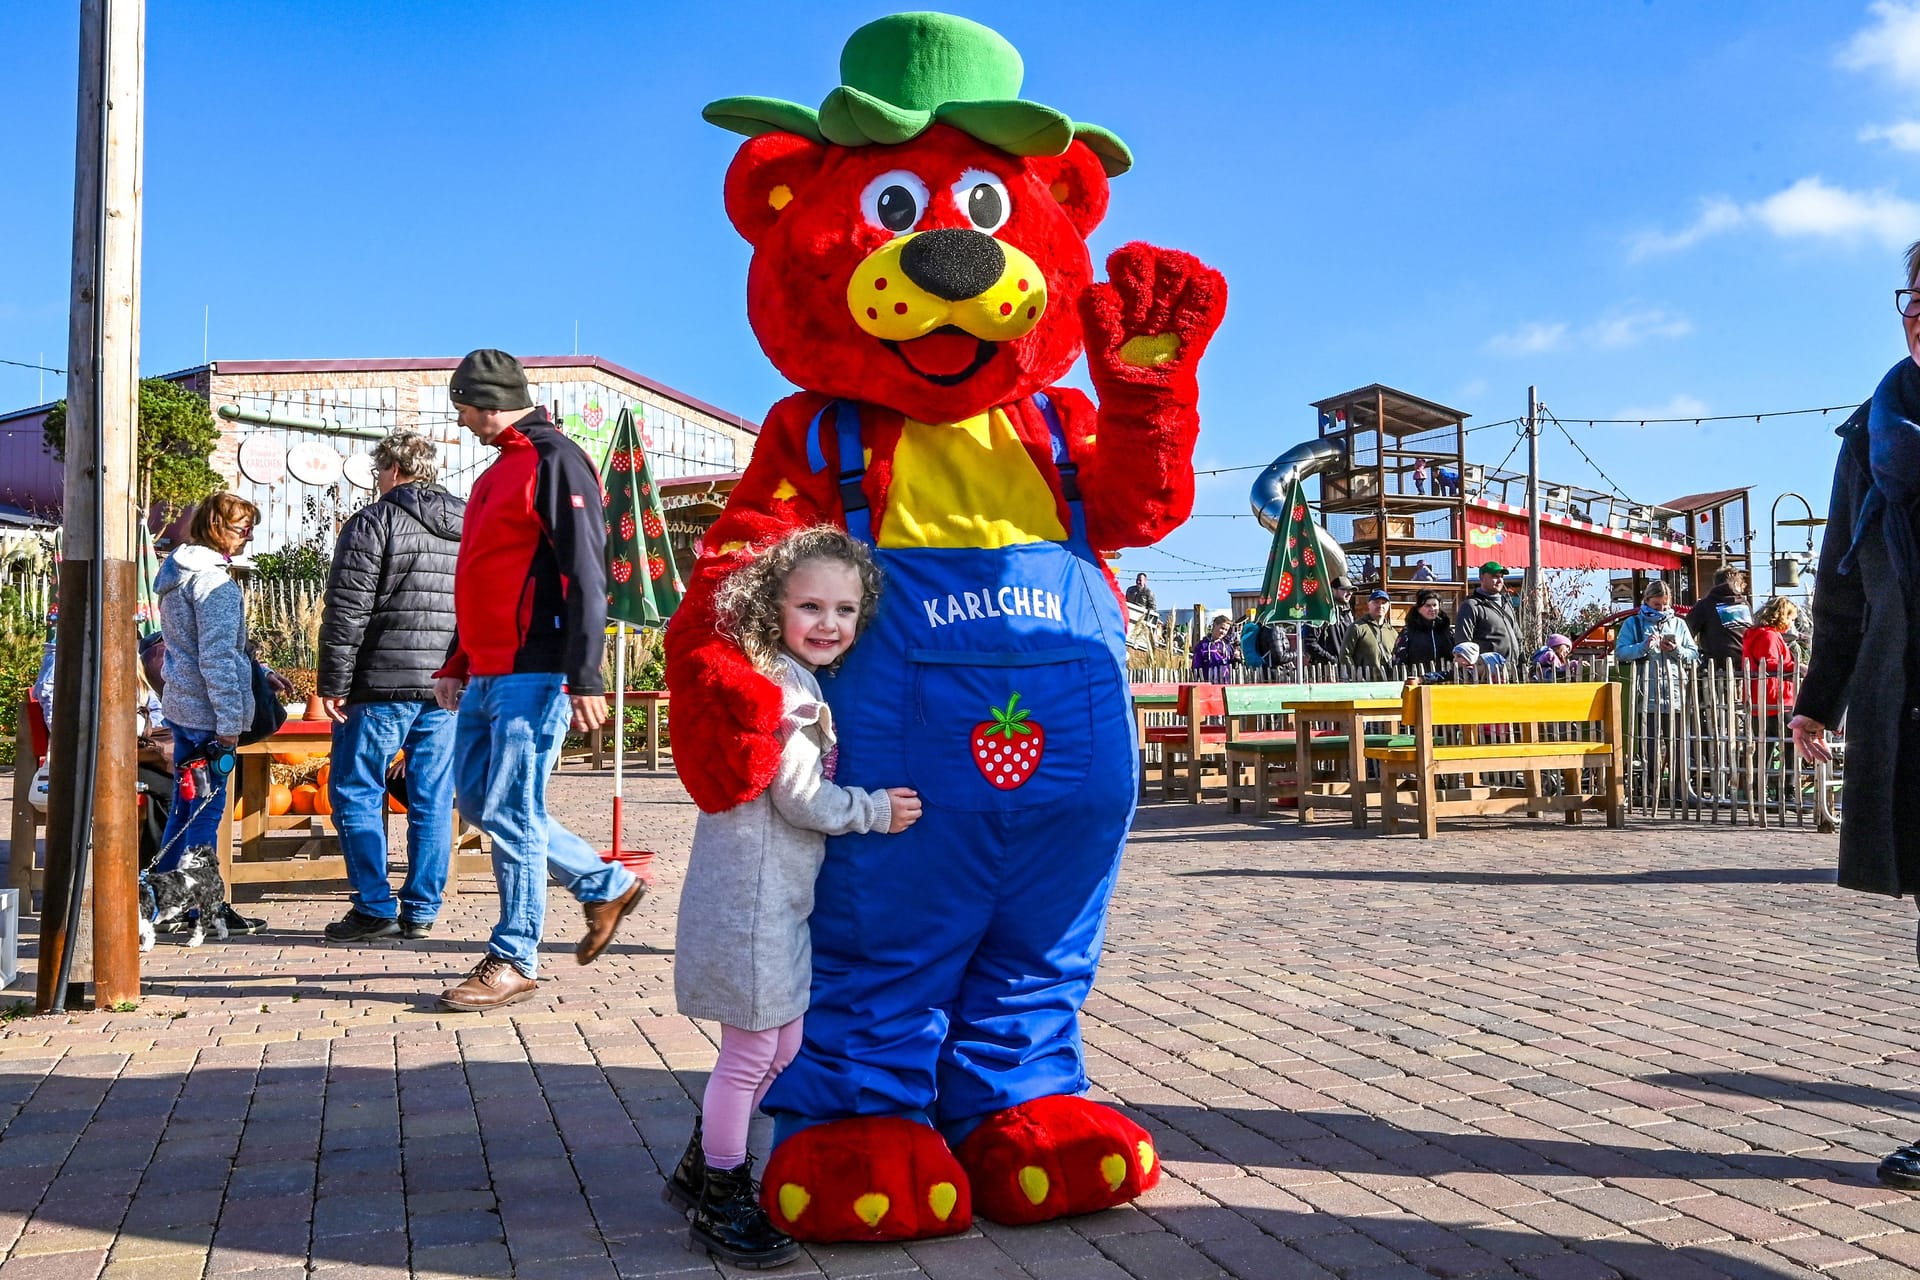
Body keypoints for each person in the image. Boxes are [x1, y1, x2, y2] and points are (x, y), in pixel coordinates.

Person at [667, 526, 921, 1267]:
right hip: (749, 901)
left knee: (781, 1045)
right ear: (769, 607)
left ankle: (699, 1165)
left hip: (772, 896)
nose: (829, 624)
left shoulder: (791, 677)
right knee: (751, 1054)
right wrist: (876, 809)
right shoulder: (781, 687)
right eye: (810, 605)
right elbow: (802, 797)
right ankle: (720, 1192)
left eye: (845, 610)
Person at [431, 349, 642, 1011]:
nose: (460, 419)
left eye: (462, 406)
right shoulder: (498, 471)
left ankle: (514, 956)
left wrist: (585, 675)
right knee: (481, 802)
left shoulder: (556, 459)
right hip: (487, 668)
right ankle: (604, 884)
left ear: (486, 398)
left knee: (513, 812)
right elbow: (482, 577)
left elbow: (586, 573)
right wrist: (456, 658)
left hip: (537, 670)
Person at [1790, 241, 1920, 1195]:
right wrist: (1816, 697)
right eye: (1915, 295)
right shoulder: (1869, 439)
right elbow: (1841, 589)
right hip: (1907, 707)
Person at [316, 431, 466, 943]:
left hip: (379, 682)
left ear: (395, 469)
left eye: (380, 470)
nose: (377, 479)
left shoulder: (373, 521)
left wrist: (333, 682)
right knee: (432, 797)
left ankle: (374, 905)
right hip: (445, 683)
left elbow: (347, 611)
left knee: (357, 790)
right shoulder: (469, 524)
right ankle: (422, 908)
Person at [152, 493, 271, 933]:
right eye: (243, 528)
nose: (249, 536)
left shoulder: (179, 573)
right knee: (205, 811)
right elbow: (218, 658)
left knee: (187, 808)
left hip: (183, 704)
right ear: (218, 528)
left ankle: (164, 901)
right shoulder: (211, 583)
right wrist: (228, 725)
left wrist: (261, 671)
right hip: (207, 714)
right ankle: (203, 908)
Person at [1615, 580, 1698, 800]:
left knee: (1680, 744)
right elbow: (1621, 652)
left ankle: (1681, 788)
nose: (1660, 608)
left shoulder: (1679, 624)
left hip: (1677, 694)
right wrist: (1643, 646)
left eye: (1664, 604)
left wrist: (1676, 650)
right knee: (1650, 746)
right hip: (1647, 694)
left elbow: (1694, 654)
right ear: (1647, 601)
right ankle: (1653, 789)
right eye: (1656, 603)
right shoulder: (1633, 623)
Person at [1743, 597, 1798, 719]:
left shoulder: (1758, 634)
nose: (1791, 624)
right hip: (1775, 698)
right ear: (1782, 616)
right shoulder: (1768, 636)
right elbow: (1769, 663)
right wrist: (1797, 667)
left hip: (1761, 698)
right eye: (1791, 619)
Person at [1454, 561, 1520, 661]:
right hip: (1487, 671)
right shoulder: (1471, 606)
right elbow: (1463, 644)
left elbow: (1518, 636)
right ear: (1481, 578)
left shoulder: (1507, 604)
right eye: (1495, 576)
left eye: (1501, 576)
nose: (1500, 580)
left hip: (1512, 669)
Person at [1686, 566, 1753, 663]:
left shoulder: (1705, 605)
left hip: (1716, 665)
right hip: (1745, 663)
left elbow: (1686, 632)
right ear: (1737, 584)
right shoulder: (1745, 605)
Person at [1393, 589, 1454, 667]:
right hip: (1418, 676)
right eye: (1428, 606)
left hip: (1444, 676)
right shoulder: (1408, 632)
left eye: (1435, 605)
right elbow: (1399, 660)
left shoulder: (1446, 631)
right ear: (1419, 609)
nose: (1432, 609)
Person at [1305, 575, 1356, 666]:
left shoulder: (1348, 613)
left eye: (1351, 590)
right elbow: (1310, 642)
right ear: (1332, 590)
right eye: (1344, 589)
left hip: (1346, 668)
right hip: (1326, 670)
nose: (1349, 593)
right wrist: (1332, 660)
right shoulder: (1321, 612)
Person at [1344, 590, 1398, 670]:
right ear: (1369, 605)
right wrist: (1355, 676)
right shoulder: (1357, 628)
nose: (1380, 606)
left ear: (1388, 606)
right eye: (1376, 602)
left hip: (1389, 680)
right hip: (1364, 680)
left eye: (1384, 603)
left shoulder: (1392, 632)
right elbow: (1345, 655)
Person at [1190, 613, 1234, 681]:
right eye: (1222, 628)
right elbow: (1196, 667)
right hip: (1208, 683)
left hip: (1225, 683)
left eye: (1226, 630)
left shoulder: (1227, 647)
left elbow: (1232, 663)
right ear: (1214, 625)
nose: (1223, 632)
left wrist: (1237, 658)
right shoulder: (1202, 646)